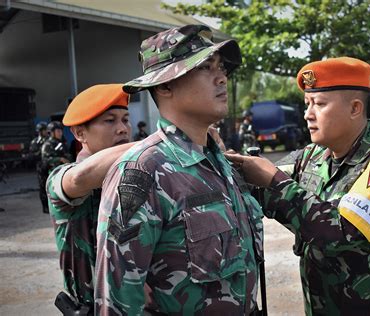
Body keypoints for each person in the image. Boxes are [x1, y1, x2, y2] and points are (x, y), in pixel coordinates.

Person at [225, 57, 370, 315]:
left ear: (355, 108)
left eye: (319, 104)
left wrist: (274, 180)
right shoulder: (310, 157)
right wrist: (217, 156)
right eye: (307, 104)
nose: (308, 114)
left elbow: (343, 233)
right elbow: (256, 187)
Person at [95, 24, 264, 315]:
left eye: (221, 67)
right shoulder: (143, 172)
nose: (222, 77)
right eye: (205, 67)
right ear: (164, 85)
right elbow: (117, 302)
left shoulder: (221, 163)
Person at [46, 84, 134, 313]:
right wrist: (161, 143)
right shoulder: (62, 178)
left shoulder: (129, 174)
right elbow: (81, 178)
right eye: (110, 120)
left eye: (126, 119)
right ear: (79, 132)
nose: (123, 128)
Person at [28, 121, 49, 213]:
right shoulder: (35, 142)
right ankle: (45, 207)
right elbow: (32, 156)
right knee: (42, 187)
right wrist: (41, 150)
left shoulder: (50, 140)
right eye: (44, 130)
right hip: (41, 167)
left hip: (50, 166)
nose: (46, 131)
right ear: (39, 131)